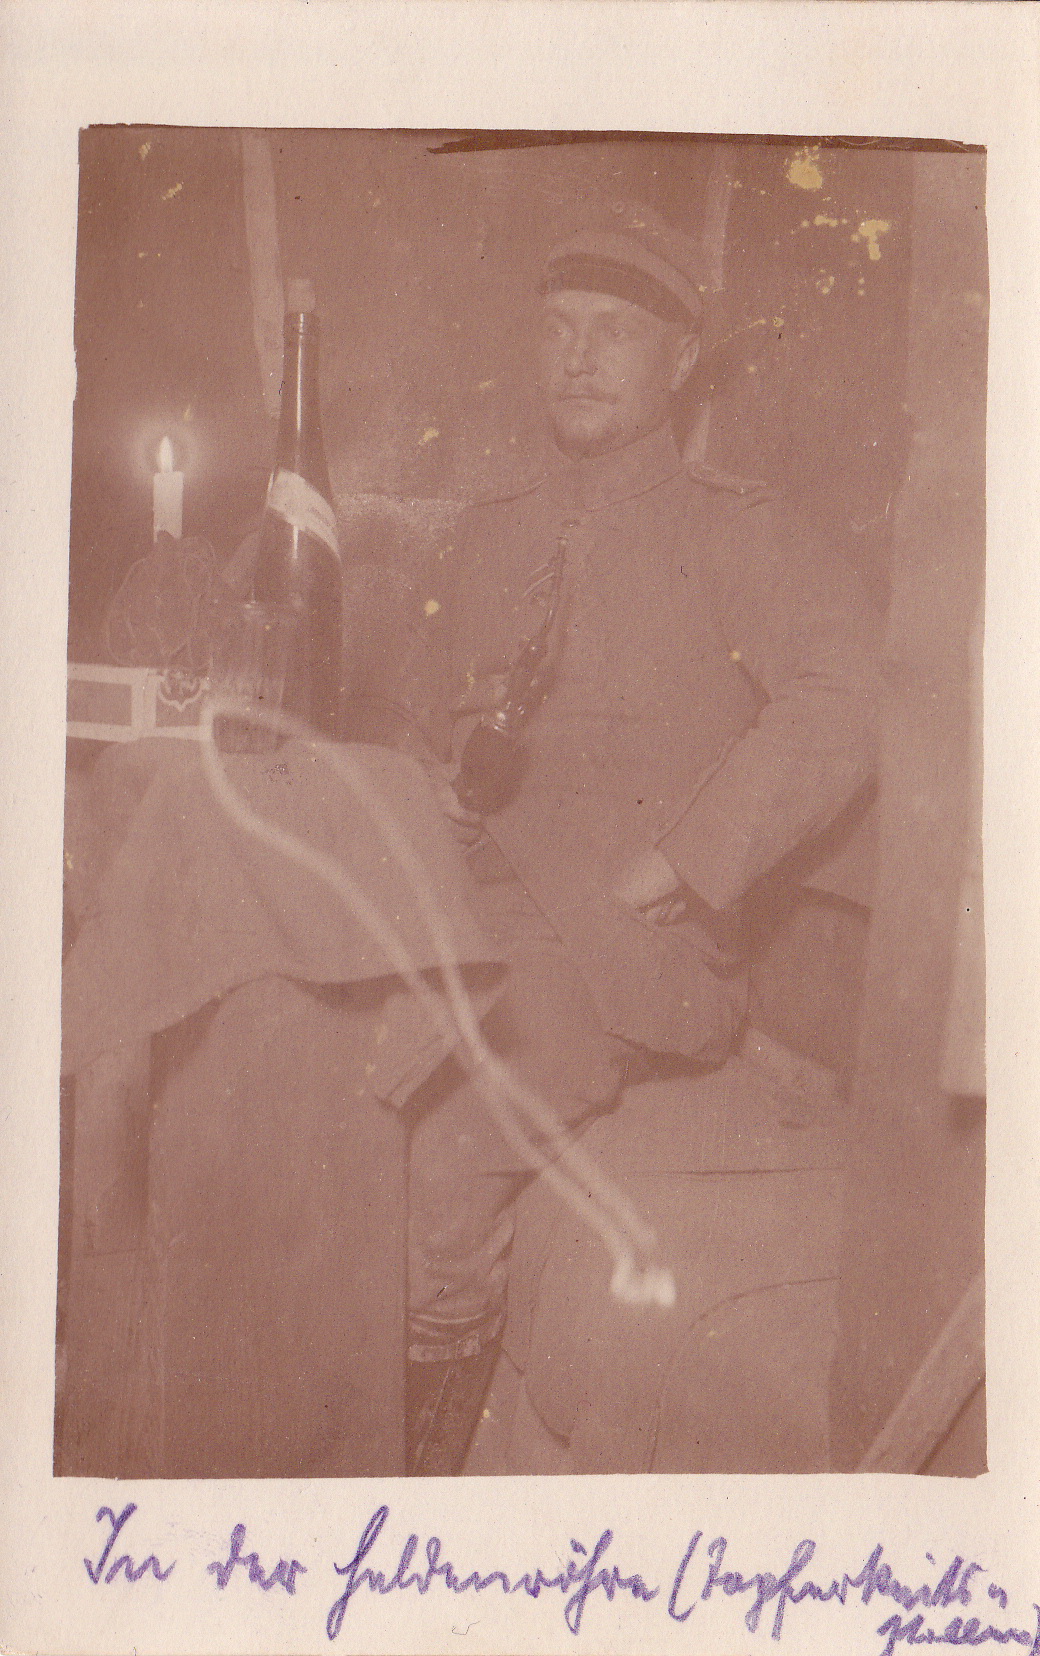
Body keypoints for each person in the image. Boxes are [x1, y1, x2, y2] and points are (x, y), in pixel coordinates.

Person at [403, 205, 878, 1474]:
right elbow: (427, 714)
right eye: (558, 329)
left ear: (680, 361)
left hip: (623, 951)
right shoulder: (490, 529)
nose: (576, 356)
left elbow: (848, 692)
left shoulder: (737, 530)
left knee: (441, 1150)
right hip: (465, 904)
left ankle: (411, 1486)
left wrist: (688, 855)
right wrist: (440, 779)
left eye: (612, 332)